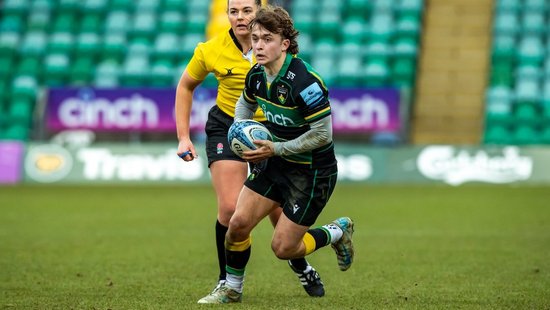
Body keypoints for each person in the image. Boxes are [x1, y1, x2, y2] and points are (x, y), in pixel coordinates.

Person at [198, 5, 355, 304]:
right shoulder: (256, 75)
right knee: (237, 224)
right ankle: (232, 288)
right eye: (255, 38)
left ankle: (335, 232)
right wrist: (241, 132)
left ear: (284, 43)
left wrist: (278, 148)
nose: (258, 45)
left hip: (312, 172)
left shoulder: (305, 82)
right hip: (274, 161)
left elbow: (323, 134)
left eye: (267, 38)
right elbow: (244, 105)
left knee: (283, 248)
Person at [174, 0, 325, 302]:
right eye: (233, 11)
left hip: (272, 132)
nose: (240, 17)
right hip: (228, 127)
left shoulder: (275, 46)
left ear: (260, 11)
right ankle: (227, 283)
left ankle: (299, 263)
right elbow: (185, 86)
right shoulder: (210, 50)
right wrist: (182, 137)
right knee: (231, 211)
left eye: (247, 10)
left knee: (279, 216)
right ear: (226, 14)